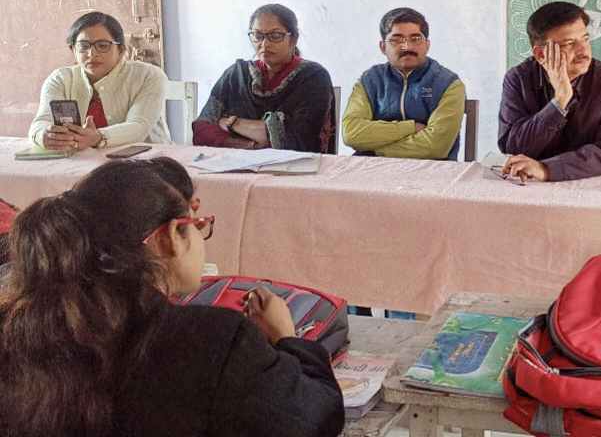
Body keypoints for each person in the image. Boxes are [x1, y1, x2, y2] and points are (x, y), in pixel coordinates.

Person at [0, 160, 344, 437]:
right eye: (197, 224)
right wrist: (288, 339)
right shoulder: (214, 340)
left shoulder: (16, 326)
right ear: (170, 237)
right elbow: (316, 419)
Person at [498, 1, 601, 182]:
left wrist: (546, 169)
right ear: (541, 54)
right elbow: (512, 147)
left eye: (585, 39)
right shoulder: (518, 79)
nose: (583, 50)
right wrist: (560, 100)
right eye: (569, 43)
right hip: (526, 183)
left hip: (587, 185)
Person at [193, 4, 336, 153]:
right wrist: (248, 145)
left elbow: (300, 138)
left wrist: (233, 123)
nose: (265, 44)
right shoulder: (236, 75)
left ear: (293, 39)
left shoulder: (313, 77)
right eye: (257, 36)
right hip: (234, 162)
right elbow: (201, 129)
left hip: (295, 166)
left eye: (275, 36)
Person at [28, 11, 171, 150]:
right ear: (73, 50)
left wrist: (99, 137)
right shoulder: (60, 79)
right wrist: (44, 136)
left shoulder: (148, 76)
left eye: (102, 46)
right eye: (83, 46)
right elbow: (41, 121)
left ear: (121, 50)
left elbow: (138, 126)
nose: (92, 54)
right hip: (82, 160)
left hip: (146, 159)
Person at [342, 7, 466, 160]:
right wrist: (411, 127)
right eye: (396, 40)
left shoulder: (448, 84)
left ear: (427, 45)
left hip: (431, 171)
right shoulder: (370, 80)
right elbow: (351, 133)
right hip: (372, 169)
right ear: (383, 47)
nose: (407, 47)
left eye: (415, 39)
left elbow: (435, 147)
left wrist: (374, 151)